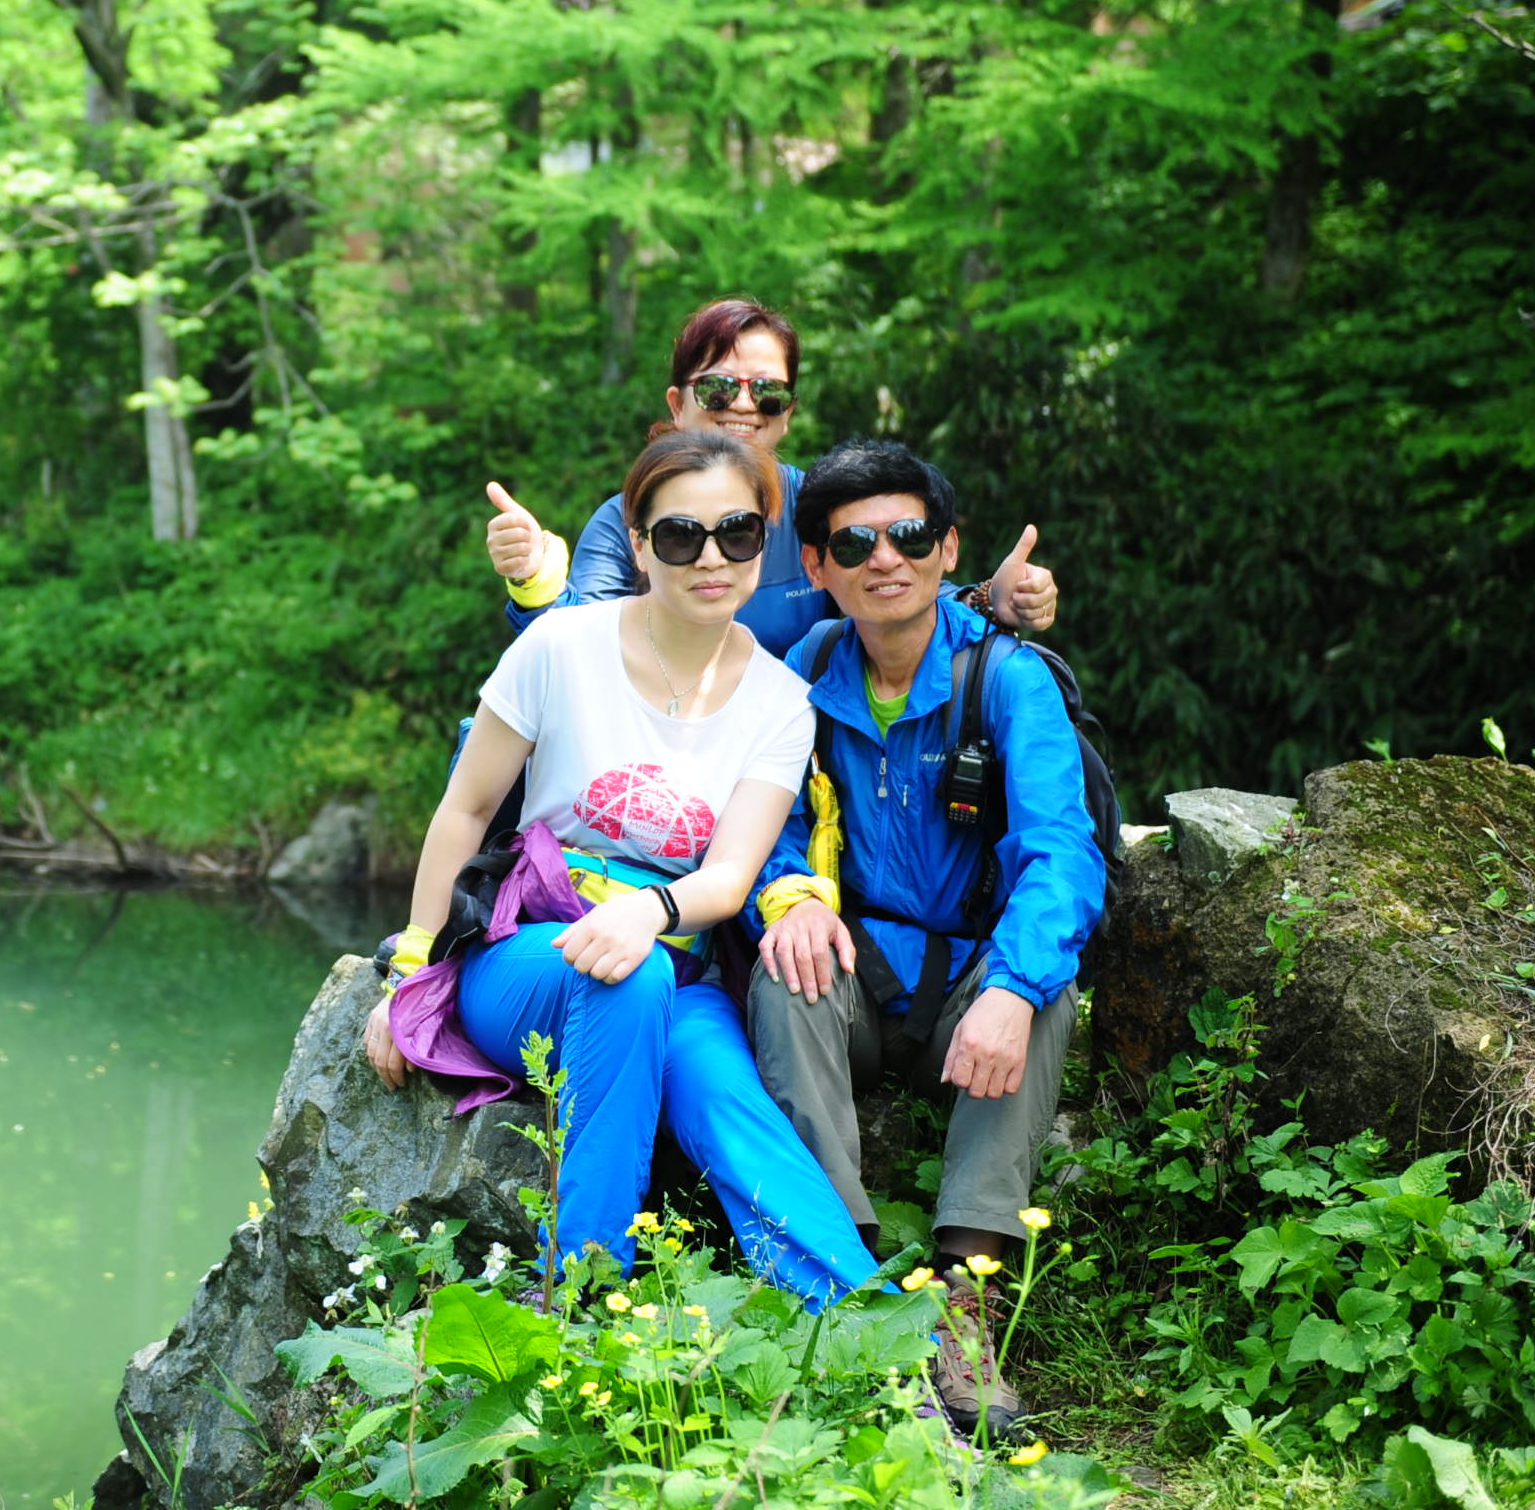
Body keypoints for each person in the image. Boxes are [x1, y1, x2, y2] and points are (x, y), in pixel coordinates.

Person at [365, 429, 880, 1308]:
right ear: (639, 545)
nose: (711, 558)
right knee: (627, 978)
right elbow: (466, 809)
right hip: (528, 953)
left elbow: (731, 877)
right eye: (680, 536)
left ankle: (870, 1331)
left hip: (672, 963)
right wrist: (410, 968)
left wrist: (648, 912)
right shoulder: (560, 648)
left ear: (763, 543)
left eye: (737, 534)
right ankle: (583, 1293)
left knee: (728, 1102)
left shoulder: (782, 701)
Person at [742, 438, 1105, 1439]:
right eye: (852, 543)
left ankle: (963, 1292)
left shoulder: (1007, 679)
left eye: (909, 534)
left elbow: (1061, 854)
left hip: (966, 978)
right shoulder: (803, 674)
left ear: (948, 548)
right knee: (782, 971)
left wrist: (1012, 986)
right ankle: (844, 1278)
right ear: (816, 565)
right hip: (860, 972)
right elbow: (764, 825)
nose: (884, 558)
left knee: (1043, 990)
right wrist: (789, 898)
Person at [480, 298, 1062, 649]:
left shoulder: (815, 506)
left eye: (767, 393)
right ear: (677, 405)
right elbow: (572, 648)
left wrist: (991, 601)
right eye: (717, 388)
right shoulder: (627, 519)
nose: (742, 405)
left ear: (786, 415)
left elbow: (895, 588)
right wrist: (535, 579)